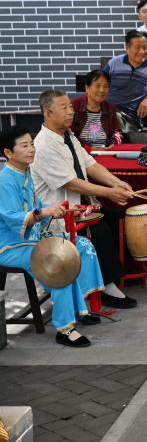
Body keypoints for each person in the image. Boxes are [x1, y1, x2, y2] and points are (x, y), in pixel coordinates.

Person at [31, 90, 137, 309]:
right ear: (48, 113)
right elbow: (71, 183)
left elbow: (90, 164)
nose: (71, 112)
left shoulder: (68, 136)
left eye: (70, 106)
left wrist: (116, 183)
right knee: (99, 228)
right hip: (60, 215)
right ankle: (106, 287)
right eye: (64, 108)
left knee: (120, 217)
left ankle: (117, 275)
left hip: (81, 206)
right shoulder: (43, 145)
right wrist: (109, 193)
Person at [0, 126, 105, 347]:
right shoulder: (4, 180)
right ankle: (65, 328)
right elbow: (12, 218)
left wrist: (59, 210)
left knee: (82, 245)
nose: (31, 149)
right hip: (11, 246)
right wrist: (43, 212)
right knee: (58, 261)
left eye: (31, 144)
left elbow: (36, 205)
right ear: (8, 153)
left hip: (32, 239)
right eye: (24, 146)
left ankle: (78, 307)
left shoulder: (25, 172)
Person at [104, 30, 147, 131]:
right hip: (107, 111)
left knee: (113, 121)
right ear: (127, 48)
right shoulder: (114, 63)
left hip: (131, 118)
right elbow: (100, 84)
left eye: (145, 48)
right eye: (137, 47)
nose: (141, 51)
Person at [71, 70, 123, 149]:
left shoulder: (110, 108)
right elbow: (69, 134)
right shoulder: (74, 106)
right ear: (87, 88)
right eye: (98, 86)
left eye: (105, 86)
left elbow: (117, 133)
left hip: (105, 152)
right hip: (81, 152)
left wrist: (114, 144)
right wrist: (88, 148)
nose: (102, 90)